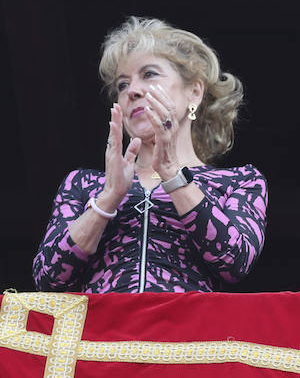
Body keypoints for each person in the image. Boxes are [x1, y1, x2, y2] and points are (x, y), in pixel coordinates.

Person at [33, 17, 267, 293]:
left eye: (149, 74)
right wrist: (108, 198)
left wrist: (172, 174)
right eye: (122, 85)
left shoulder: (240, 181)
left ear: (194, 93)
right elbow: (48, 277)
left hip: (186, 334)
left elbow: (235, 262)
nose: (132, 91)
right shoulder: (83, 184)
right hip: (103, 333)